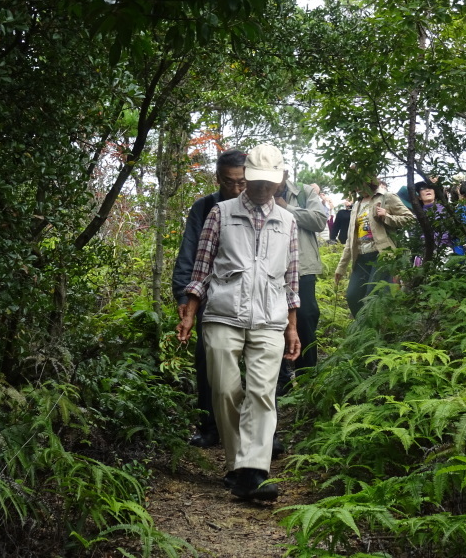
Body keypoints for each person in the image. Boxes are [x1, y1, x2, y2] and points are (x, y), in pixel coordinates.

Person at [176, 144, 301, 502]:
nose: (262, 189)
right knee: (225, 389)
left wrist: (292, 326)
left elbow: (291, 280)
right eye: (257, 181)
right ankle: (236, 465)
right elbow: (201, 268)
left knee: (263, 393)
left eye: (269, 183)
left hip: (270, 317)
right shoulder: (220, 213)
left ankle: (253, 472)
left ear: (279, 181)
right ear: (246, 176)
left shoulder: (287, 221)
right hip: (222, 314)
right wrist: (189, 311)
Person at [172, 149, 247, 449]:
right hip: (210, 294)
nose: (237, 189)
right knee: (206, 359)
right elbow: (189, 253)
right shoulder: (203, 208)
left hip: (252, 296)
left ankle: (264, 431)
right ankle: (209, 425)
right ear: (218, 178)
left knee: (258, 363)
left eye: (242, 182)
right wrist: (183, 294)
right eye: (230, 182)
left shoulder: (257, 205)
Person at [273, 172, 327, 394]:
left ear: (285, 174)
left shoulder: (304, 192)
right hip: (272, 268)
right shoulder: (258, 191)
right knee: (274, 320)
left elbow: (319, 220)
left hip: (302, 267)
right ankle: (281, 380)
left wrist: (287, 209)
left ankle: (307, 379)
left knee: (305, 317)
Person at [334, 177, 414, 316]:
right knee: (353, 296)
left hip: (381, 254)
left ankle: (375, 332)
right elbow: (351, 240)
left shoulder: (386, 197)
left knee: (374, 295)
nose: (357, 187)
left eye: (359, 182)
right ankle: (362, 331)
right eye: (354, 184)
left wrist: (386, 216)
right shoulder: (357, 205)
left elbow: (409, 218)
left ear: (369, 180)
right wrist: (341, 268)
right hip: (361, 257)